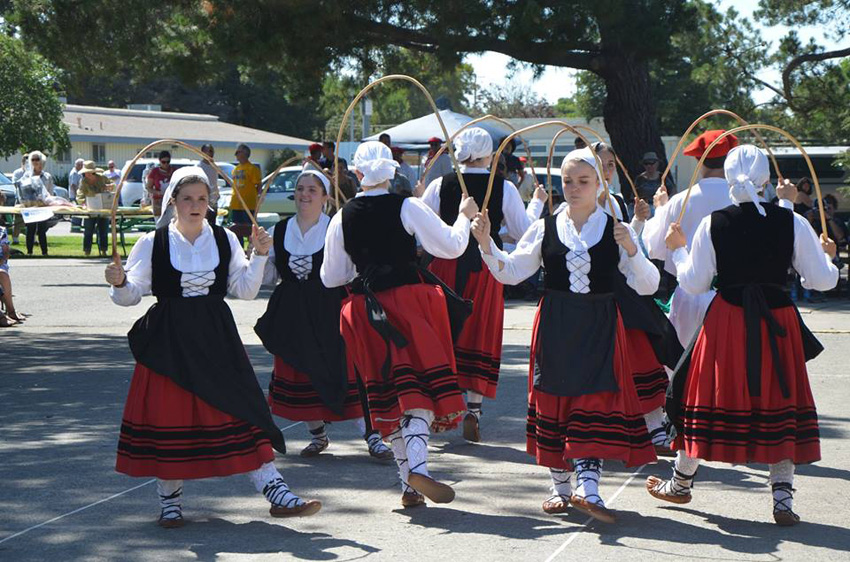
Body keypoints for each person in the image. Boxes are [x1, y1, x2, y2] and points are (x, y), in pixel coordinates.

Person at [104, 166, 320, 528]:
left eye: (202, 199)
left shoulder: (224, 239)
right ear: (172, 202)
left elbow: (246, 290)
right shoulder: (152, 242)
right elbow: (129, 297)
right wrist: (120, 281)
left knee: (241, 409)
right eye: (187, 198)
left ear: (210, 203)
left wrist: (261, 255)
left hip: (216, 336)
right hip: (169, 342)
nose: (195, 205)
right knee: (168, 416)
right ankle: (170, 503)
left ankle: (276, 491)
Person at [647, 145, 839, 526]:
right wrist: (827, 255)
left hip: (728, 318)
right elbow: (821, 280)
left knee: (703, 396)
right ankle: (782, 498)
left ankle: (682, 483)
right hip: (777, 319)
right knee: (778, 397)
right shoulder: (792, 221)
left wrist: (679, 250)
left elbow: (695, 283)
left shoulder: (714, 223)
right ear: (767, 179)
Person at [470, 147, 658, 523]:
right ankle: (559, 486)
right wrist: (487, 242)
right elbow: (511, 271)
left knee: (595, 402)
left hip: (600, 324)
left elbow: (649, 285)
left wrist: (632, 248)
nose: (573, 188)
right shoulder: (546, 226)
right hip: (556, 322)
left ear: (600, 185)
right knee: (554, 400)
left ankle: (589, 489)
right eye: (568, 181)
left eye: (583, 181)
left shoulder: (614, 227)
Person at [321, 141, 478, 508]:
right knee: (419, 391)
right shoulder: (407, 205)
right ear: (391, 172)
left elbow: (331, 277)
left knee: (388, 394)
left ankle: (408, 483)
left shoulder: (343, 216)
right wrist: (464, 216)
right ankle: (418, 469)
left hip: (365, 309)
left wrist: (362, 262)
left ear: (358, 173)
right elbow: (452, 247)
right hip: (410, 304)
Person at [255, 168, 393, 460]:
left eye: (311, 190)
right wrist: (259, 254)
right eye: (300, 189)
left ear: (325, 197)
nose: (304, 195)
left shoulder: (336, 227)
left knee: (346, 370)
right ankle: (318, 435)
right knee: (300, 368)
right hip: (292, 311)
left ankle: (372, 435)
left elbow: (353, 269)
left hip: (330, 306)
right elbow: (268, 277)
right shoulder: (280, 230)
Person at [422, 127, 546, 442]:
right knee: (480, 333)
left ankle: (441, 406)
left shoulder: (440, 184)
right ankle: (473, 410)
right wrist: (537, 203)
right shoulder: (502, 186)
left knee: (442, 334)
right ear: (490, 155)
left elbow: (420, 229)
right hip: (484, 267)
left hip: (443, 267)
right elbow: (525, 232)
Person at [593, 142, 681, 453]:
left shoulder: (616, 201)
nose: (607, 170)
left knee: (642, 354)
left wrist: (640, 221)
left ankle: (654, 425)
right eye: (601, 164)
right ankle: (608, 429)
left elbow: (626, 246)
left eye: (610, 165)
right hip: (589, 296)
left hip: (622, 290)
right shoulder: (574, 207)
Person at [642, 130, 739, 346]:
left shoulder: (680, 201)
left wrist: (661, 209)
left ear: (699, 161)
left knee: (685, 365)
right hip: (734, 297)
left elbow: (654, 248)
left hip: (688, 295)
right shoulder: (742, 200)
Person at [19, 151, 55, 256]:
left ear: (41, 161)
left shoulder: (47, 176)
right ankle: (29, 252)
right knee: (30, 229)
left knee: (42, 230)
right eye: (33, 159)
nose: (35, 162)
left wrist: (49, 202)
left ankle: (45, 252)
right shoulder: (27, 175)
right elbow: (22, 190)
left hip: (43, 206)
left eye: (37, 159)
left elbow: (50, 191)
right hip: (30, 206)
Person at [78, 161, 113, 257]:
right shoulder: (83, 181)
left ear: (93, 172)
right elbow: (80, 194)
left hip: (103, 208)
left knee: (103, 230)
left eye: (89, 172)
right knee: (88, 231)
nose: (86, 174)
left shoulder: (102, 178)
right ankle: (87, 251)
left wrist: (110, 187)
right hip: (90, 208)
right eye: (85, 172)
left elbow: (112, 186)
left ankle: (104, 250)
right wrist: (82, 203)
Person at [231, 143, 262, 246]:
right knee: (236, 229)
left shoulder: (252, 169)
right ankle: (238, 247)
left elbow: (258, 186)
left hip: (248, 204)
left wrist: (258, 198)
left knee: (249, 229)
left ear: (245, 153)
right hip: (236, 204)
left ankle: (250, 247)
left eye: (238, 152)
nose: (236, 155)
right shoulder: (235, 169)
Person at [0, 225, 24, 326]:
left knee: (2, 273)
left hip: (0, 263)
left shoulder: (1, 231)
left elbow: (5, 253)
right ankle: (1, 316)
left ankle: (11, 311)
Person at [145, 151, 173, 217]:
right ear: (160, 161)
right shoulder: (155, 172)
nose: (166, 164)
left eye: (168, 162)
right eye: (163, 162)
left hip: (171, 201)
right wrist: (157, 192)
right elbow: (148, 187)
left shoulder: (173, 171)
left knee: (171, 221)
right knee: (160, 223)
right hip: (158, 201)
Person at [198, 144, 220, 224]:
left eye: (212, 151)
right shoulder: (199, 167)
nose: (211, 153)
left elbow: (214, 182)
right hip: (204, 201)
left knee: (212, 224)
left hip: (213, 201)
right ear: (203, 152)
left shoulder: (214, 166)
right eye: (209, 151)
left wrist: (217, 195)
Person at [10, 154, 29, 245]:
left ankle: (33, 239)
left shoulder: (34, 172)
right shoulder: (17, 172)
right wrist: (24, 177)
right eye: (26, 162)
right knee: (17, 220)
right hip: (19, 199)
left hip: (31, 201)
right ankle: (15, 239)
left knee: (33, 220)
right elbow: (15, 183)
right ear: (22, 162)